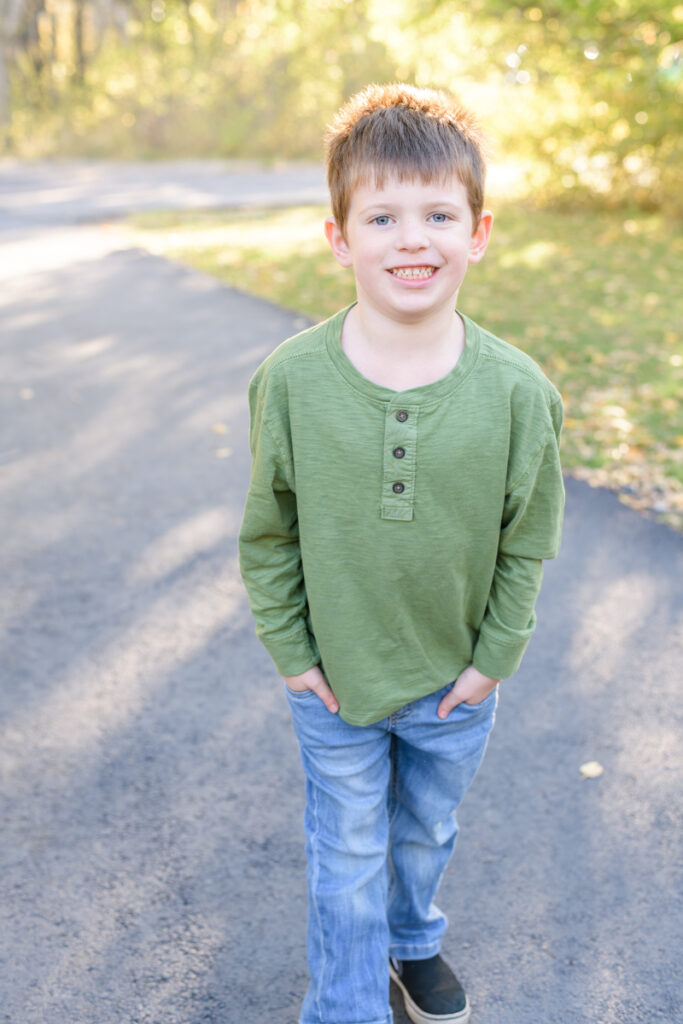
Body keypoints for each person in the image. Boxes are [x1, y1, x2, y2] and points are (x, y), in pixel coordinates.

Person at [238, 83, 565, 1024]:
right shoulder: (292, 381)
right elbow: (269, 531)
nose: (411, 238)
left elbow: (525, 542)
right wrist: (293, 654)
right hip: (335, 682)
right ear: (339, 237)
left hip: (452, 685)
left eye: (437, 214)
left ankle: (412, 939)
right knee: (344, 852)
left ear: (478, 231)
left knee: (422, 833)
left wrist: (489, 663)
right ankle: (345, 1005)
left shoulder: (517, 394)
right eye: (381, 215)